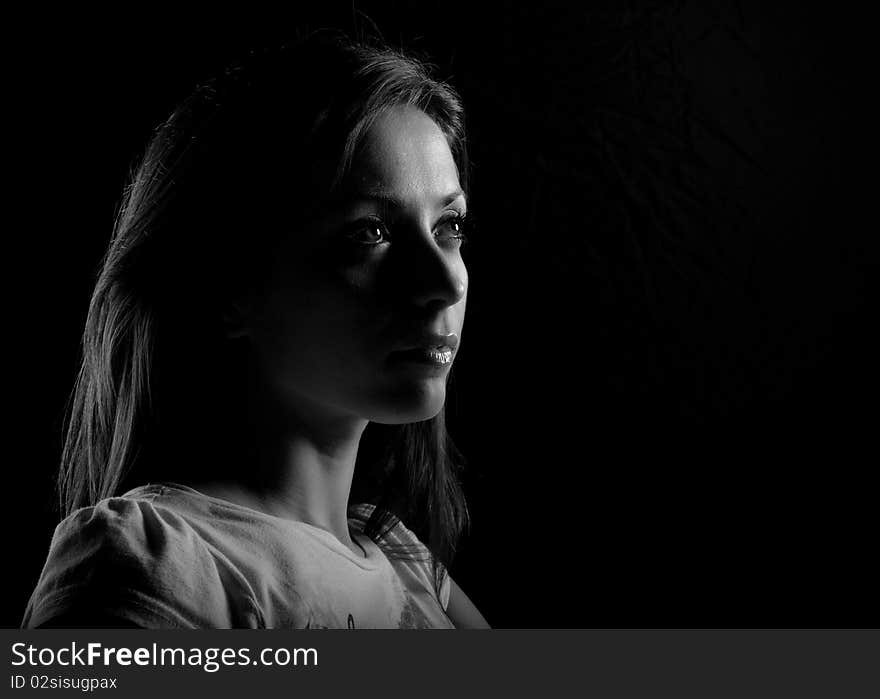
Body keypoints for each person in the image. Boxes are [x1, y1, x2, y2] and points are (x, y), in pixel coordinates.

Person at [22, 30, 489, 629]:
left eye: (450, 226)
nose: (444, 283)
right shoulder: (156, 560)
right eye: (368, 233)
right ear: (230, 286)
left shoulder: (407, 565)